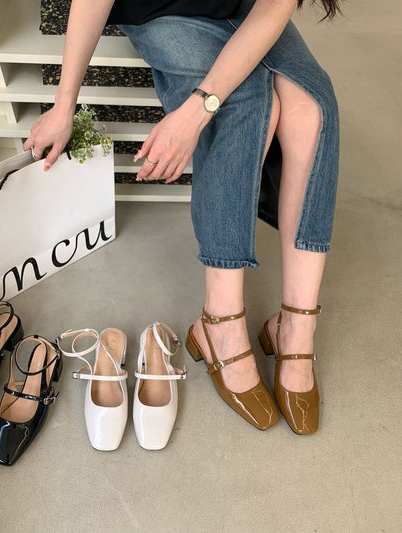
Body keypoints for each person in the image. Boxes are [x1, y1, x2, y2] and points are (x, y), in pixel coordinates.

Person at [24, 0, 340, 435]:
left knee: (311, 110)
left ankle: (296, 327)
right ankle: (220, 323)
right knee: (245, 102)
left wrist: (196, 111)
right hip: (162, 6)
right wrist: (65, 105)